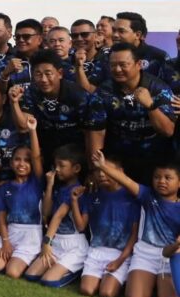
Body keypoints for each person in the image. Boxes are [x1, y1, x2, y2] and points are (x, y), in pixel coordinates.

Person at [92, 150, 180, 297]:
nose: (161, 181)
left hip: (169, 256)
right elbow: (125, 180)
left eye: (168, 178)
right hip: (145, 255)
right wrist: (103, 166)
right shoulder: (147, 195)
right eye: (157, 177)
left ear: (179, 183)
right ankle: (148, 282)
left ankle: (158, 285)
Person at [84, 42, 175, 183]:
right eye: (113, 65)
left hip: (154, 158)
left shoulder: (159, 89)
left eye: (123, 65)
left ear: (138, 64)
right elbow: (96, 133)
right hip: (118, 158)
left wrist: (150, 106)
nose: (117, 69)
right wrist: (96, 169)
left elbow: (168, 131)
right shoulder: (104, 92)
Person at [73, 154, 139, 297]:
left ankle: (122, 278)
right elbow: (81, 227)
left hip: (121, 253)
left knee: (107, 293)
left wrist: (120, 260)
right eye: (98, 170)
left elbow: (134, 234)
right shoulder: (92, 195)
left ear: (120, 172)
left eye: (106, 170)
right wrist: (74, 201)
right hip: (96, 251)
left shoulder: (132, 198)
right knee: (86, 290)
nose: (102, 174)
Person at [10, 50, 90, 165]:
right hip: (46, 152)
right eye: (38, 74)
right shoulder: (31, 92)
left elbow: (89, 132)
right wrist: (14, 102)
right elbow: (24, 126)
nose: (43, 79)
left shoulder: (77, 94)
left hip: (75, 155)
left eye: (48, 74)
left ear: (60, 73)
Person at [0, 117, 43, 278]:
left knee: (12, 272)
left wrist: (32, 131)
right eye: (17, 159)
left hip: (31, 235)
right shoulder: (5, 187)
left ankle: (31, 257)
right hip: (10, 233)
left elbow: (36, 157)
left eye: (27, 161)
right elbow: (2, 218)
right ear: (11, 163)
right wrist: (5, 241)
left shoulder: (37, 182)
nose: (21, 164)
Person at [26, 144, 88, 287]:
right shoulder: (59, 188)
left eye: (62, 165)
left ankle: (76, 268)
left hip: (74, 245)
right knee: (31, 275)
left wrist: (46, 242)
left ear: (76, 168)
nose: (57, 169)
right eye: (56, 165)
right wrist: (49, 185)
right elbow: (46, 213)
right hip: (57, 241)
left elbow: (58, 216)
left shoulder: (78, 190)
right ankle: (58, 266)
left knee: (48, 281)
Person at [0, 18, 43, 91]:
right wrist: (5, 74)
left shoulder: (50, 60)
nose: (21, 40)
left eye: (26, 36)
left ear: (39, 40)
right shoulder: (7, 61)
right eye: (17, 37)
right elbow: (0, 91)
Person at [70, 19, 107, 93]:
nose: (79, 39)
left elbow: (86, 93)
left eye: (85, 34)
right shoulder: (66, 60)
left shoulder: (107, 59)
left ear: (96, 35)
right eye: (74, 36)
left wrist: (79, 67)